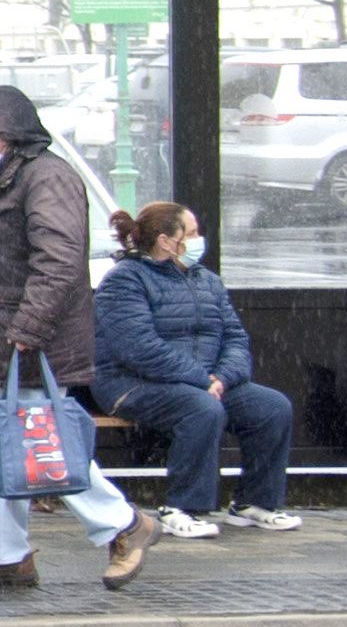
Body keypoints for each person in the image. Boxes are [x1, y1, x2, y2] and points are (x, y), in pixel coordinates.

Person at [0, 85, 163, 590]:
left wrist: (28, 328)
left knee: (43, 448)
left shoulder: (47, 178)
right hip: (2, 342)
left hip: (26, 344)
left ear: (6, 133)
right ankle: (4, 556)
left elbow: (60, 262)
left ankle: (124, 525)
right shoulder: (10, 179)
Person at [97, 202, 305, 538]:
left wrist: (223, 377)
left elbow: (235, 338)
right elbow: (139, 349)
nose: (199, 239)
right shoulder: (125, 281)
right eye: (191, 233)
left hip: (206, 383)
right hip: (132, 384)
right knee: (201, 408)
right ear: (166, 241)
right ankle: (180, 507)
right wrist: (200, 379)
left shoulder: (208, 281)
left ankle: (254, 503)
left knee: (272, 407)